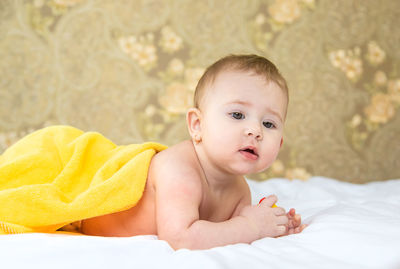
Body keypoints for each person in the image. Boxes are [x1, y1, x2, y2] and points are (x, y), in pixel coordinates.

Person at [80, 54, 306, 249]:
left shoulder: (239, 191)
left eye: (269, 124)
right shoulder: (179, 170)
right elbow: (180, 239)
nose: (255, 131)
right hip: (87, 216)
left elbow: (229, 234)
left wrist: (273, 226)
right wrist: (251, 226)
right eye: (237, 115)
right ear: (197, 125)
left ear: (280, 143)